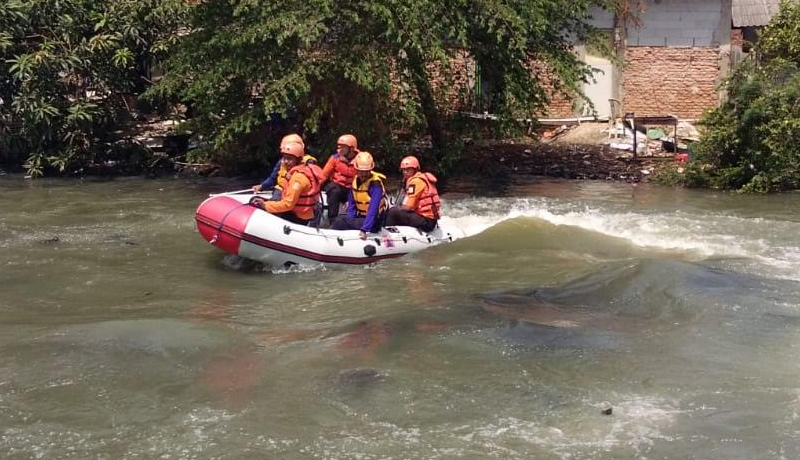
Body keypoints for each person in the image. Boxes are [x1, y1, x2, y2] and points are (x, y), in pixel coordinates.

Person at [250, 142, 324, 225]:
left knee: (261, 208)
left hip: (298, 217)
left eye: (289, 159)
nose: (285, 161)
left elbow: (288, 205)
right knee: (255, 200)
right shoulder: (297, 172)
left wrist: (265, 205)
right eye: (284, 158)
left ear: (298, 160)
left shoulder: (298, 179)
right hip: (297, 212)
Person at [331, 151, 388, 239]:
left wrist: (364, 229)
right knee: (340, 220)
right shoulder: (356, 181)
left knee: (339, 221)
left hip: (374, 222)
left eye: (366, 171)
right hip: (361, 218)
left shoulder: (375, 185)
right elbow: (352, 205)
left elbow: (373, 209)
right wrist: (350, 220)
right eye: (361, 171)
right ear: (356, 169)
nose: (363, 174)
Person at [384, 155, 441, 232]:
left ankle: (386, 233)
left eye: (408, 169)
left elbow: (408, 207)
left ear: (415, 169)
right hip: (428, 219)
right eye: (403, 170)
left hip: (427, 222)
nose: (405, 172)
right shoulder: (420, 179)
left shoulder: (416, 182)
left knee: (392, 212)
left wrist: (395, 209)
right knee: (396, 211)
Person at [252, 133, 317, 200]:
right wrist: (262, 186)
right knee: (276, 198)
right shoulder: (281, 162)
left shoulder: (309, 163)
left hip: (298, 192)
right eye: (285, 156)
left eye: (289, 158)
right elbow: (273, 178)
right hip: (281, 191)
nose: (286, 161)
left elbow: (312, 182)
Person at [321, 134, 358, 220]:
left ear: (351, 149)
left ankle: (352, 221)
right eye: (339, 147)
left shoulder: (360, 160)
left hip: (351, 189)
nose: (339, 150)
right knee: (335, 191)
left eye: (343, 147)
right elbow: (323, 175)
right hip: (336, 185)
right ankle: (332, 220)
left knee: (355, 197)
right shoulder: (334, 158)